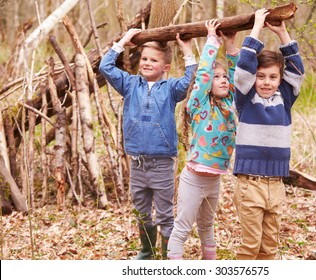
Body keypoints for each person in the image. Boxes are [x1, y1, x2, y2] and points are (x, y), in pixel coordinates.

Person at [99, 29, 197, 260]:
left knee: (164, 214)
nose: (147, 63)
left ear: (165, 68)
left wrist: (186, 50)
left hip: (162, 162)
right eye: (144, 58)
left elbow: (189, 81)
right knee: (142, 211)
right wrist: (122, 42)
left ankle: (168, 256)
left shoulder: (171, 89)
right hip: (137, 163)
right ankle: (147, 251)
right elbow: (105, 67)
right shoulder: (130, 84)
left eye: (153, 60)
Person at [233, 8, 305, 260]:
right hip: (250, 184)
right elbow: (243, 67)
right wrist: (256, 27)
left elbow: (297, 71)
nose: (266, 82)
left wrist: (283, 33)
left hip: (276, 184)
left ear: (279, 80)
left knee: (269, 248)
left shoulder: (284, 99)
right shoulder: (245, 99)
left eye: (273, 77)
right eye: (261, 76)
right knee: (250, 246)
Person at [167, 19, 239, 260]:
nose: (222, 80)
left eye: (224, 77)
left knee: (207, 228)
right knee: (182, 229)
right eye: (217, 77)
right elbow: (203, 75)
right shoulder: (199, 104)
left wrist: (230, 45)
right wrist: (211, 41)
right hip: (194, 179)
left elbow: (237, 78)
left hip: (214, 180)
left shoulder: (229, 105)